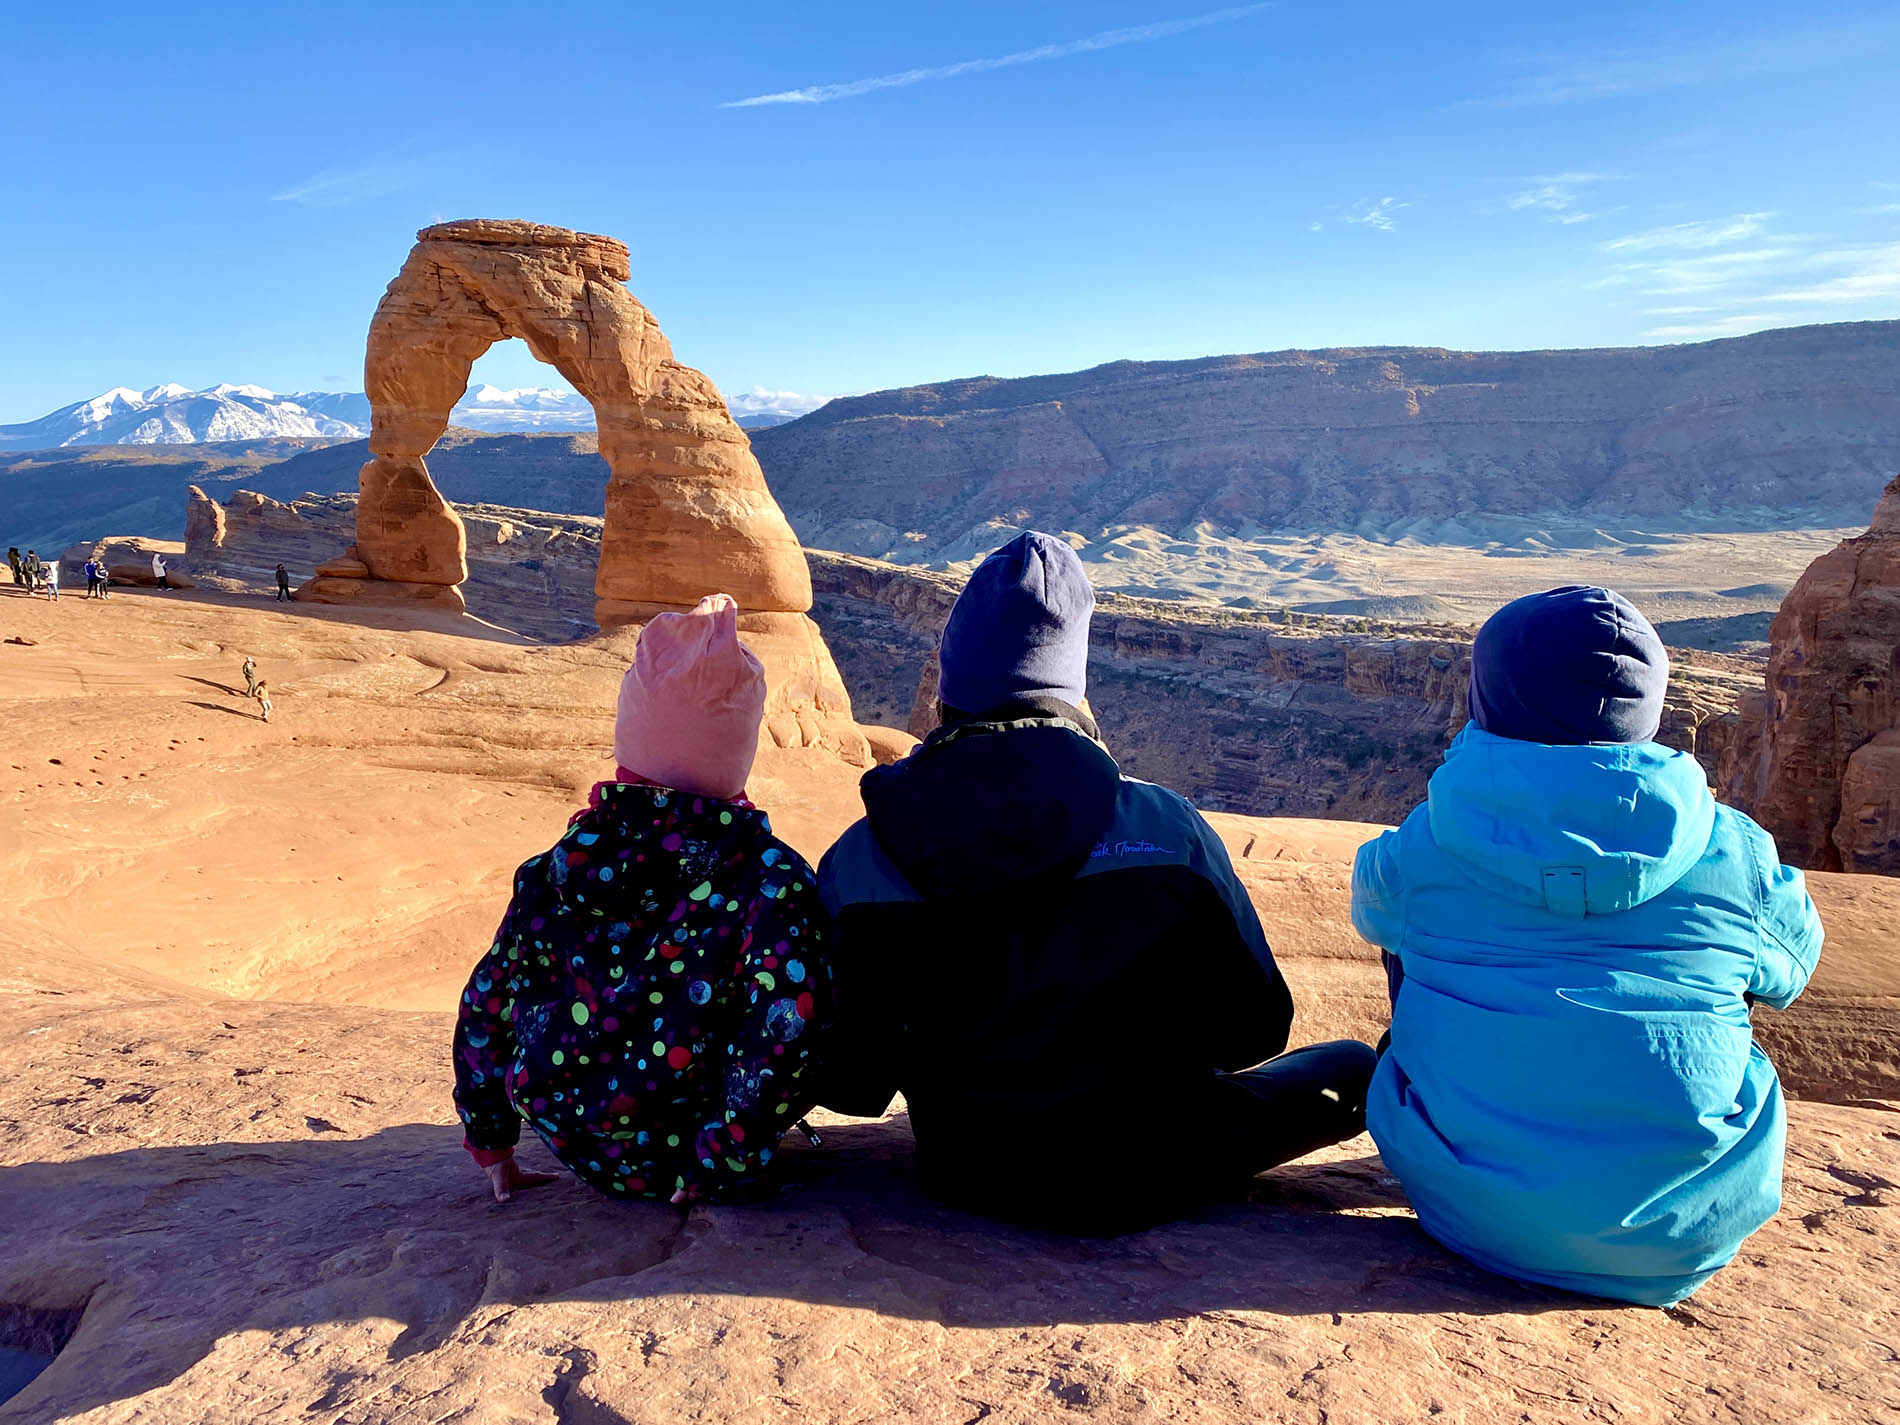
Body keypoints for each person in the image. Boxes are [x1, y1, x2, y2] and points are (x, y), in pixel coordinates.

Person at [816, 531, 1377, 1235]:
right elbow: (1255, 1027)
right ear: (1071, 682)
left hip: (969, 1169)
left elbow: (850, 1079)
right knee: (1352, 1067)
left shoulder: (865, 856)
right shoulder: (1167, 830)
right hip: (1163, 1165)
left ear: (950, 682)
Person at [1353, 585, 1823, 1308]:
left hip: (1470, 1215)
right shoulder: (1738, 849)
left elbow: (1370, 908)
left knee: (1408, 948)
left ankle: (1496, 1118)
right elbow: (1794, 970)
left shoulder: (1426, 842)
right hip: (1685, 1232)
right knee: (1734, 974)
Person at [452, 593, 835, 1205]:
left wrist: (491, 1138)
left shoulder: (555, 868)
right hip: (693, 1156)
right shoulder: (769, 879)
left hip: (574, 1139)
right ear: (736, 758)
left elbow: (487, 1002)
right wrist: (721, 1161)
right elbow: (789, 1027)